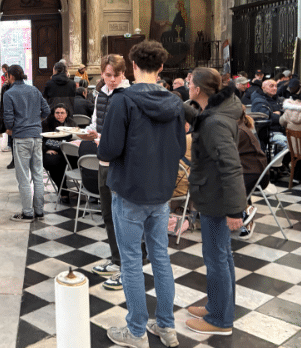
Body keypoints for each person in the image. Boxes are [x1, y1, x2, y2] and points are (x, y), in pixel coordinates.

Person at [99, 40, 185, 348]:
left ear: (133, 66)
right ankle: (166, 326)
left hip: (130, 190)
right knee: (160, 258)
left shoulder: (123, 101)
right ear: (161, 68)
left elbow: (107, 150)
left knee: (132, 261)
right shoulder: (175, 102)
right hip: (161, 192)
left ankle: (136, 331)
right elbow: (181, 148)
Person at [183, 67, 246, 336]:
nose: (186, 86)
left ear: (197, 89)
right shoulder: (216, 113)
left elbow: (231, 167)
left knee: (217, 258)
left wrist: (235, 210)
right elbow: (203, 120)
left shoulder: (216, 122)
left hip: (217, 198)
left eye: (188, 83)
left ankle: (220, 320)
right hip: (213, 194)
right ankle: (218, 306)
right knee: (222, 256)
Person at [80, 54, 131, 290]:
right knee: (108, 214)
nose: (112, 80)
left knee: (124, 217)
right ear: (102, 73)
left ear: (124, 74)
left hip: (121, 164)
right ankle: (116, 259)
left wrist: (101, 137)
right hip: (103, 161)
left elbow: (127, 134)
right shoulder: (100, 93)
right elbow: (96, 122)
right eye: (108, 75)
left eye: (116, 75)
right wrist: (88, 132)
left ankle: (128, 269)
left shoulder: (129, 95)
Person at [3, 64, 50, 222]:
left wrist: (14, 127)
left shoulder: (9, 94)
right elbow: (47, 110)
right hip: (36, 136)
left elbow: (8, 120)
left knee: (23, 177)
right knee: (38, 175)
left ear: (11, 76)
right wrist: (36, 122)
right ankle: (40, 211)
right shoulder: (34, 90)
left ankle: (28, 212)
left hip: (21, 137)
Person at [236, 107, 267, 238]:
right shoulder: (239, 126)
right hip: (252, 170)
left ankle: (246, 214)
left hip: (254, 173)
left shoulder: (238, 131)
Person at [41, 104, 76, 196]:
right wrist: (45, 150)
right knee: (54, 163)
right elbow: (39, 140)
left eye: (62, 113)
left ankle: (88, 190)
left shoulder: (72, 123)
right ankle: (63, 191)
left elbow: (76, 138)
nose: (59, 115)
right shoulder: (46, 123)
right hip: (51, 150)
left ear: (67, 114)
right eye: (57, 113)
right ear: (53, 114)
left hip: (68, 152)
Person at [251, 79, 287, 150]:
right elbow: (266, 117)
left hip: (282, 130)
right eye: (271, 86)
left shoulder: (278, 99)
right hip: (269, 133)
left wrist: (280, 113)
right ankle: (280, 161)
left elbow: (286, 112)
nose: (274, 88)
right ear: (263, 87)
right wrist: (283, 116)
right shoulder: (258, 101)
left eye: (276, 86)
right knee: (291, 145)